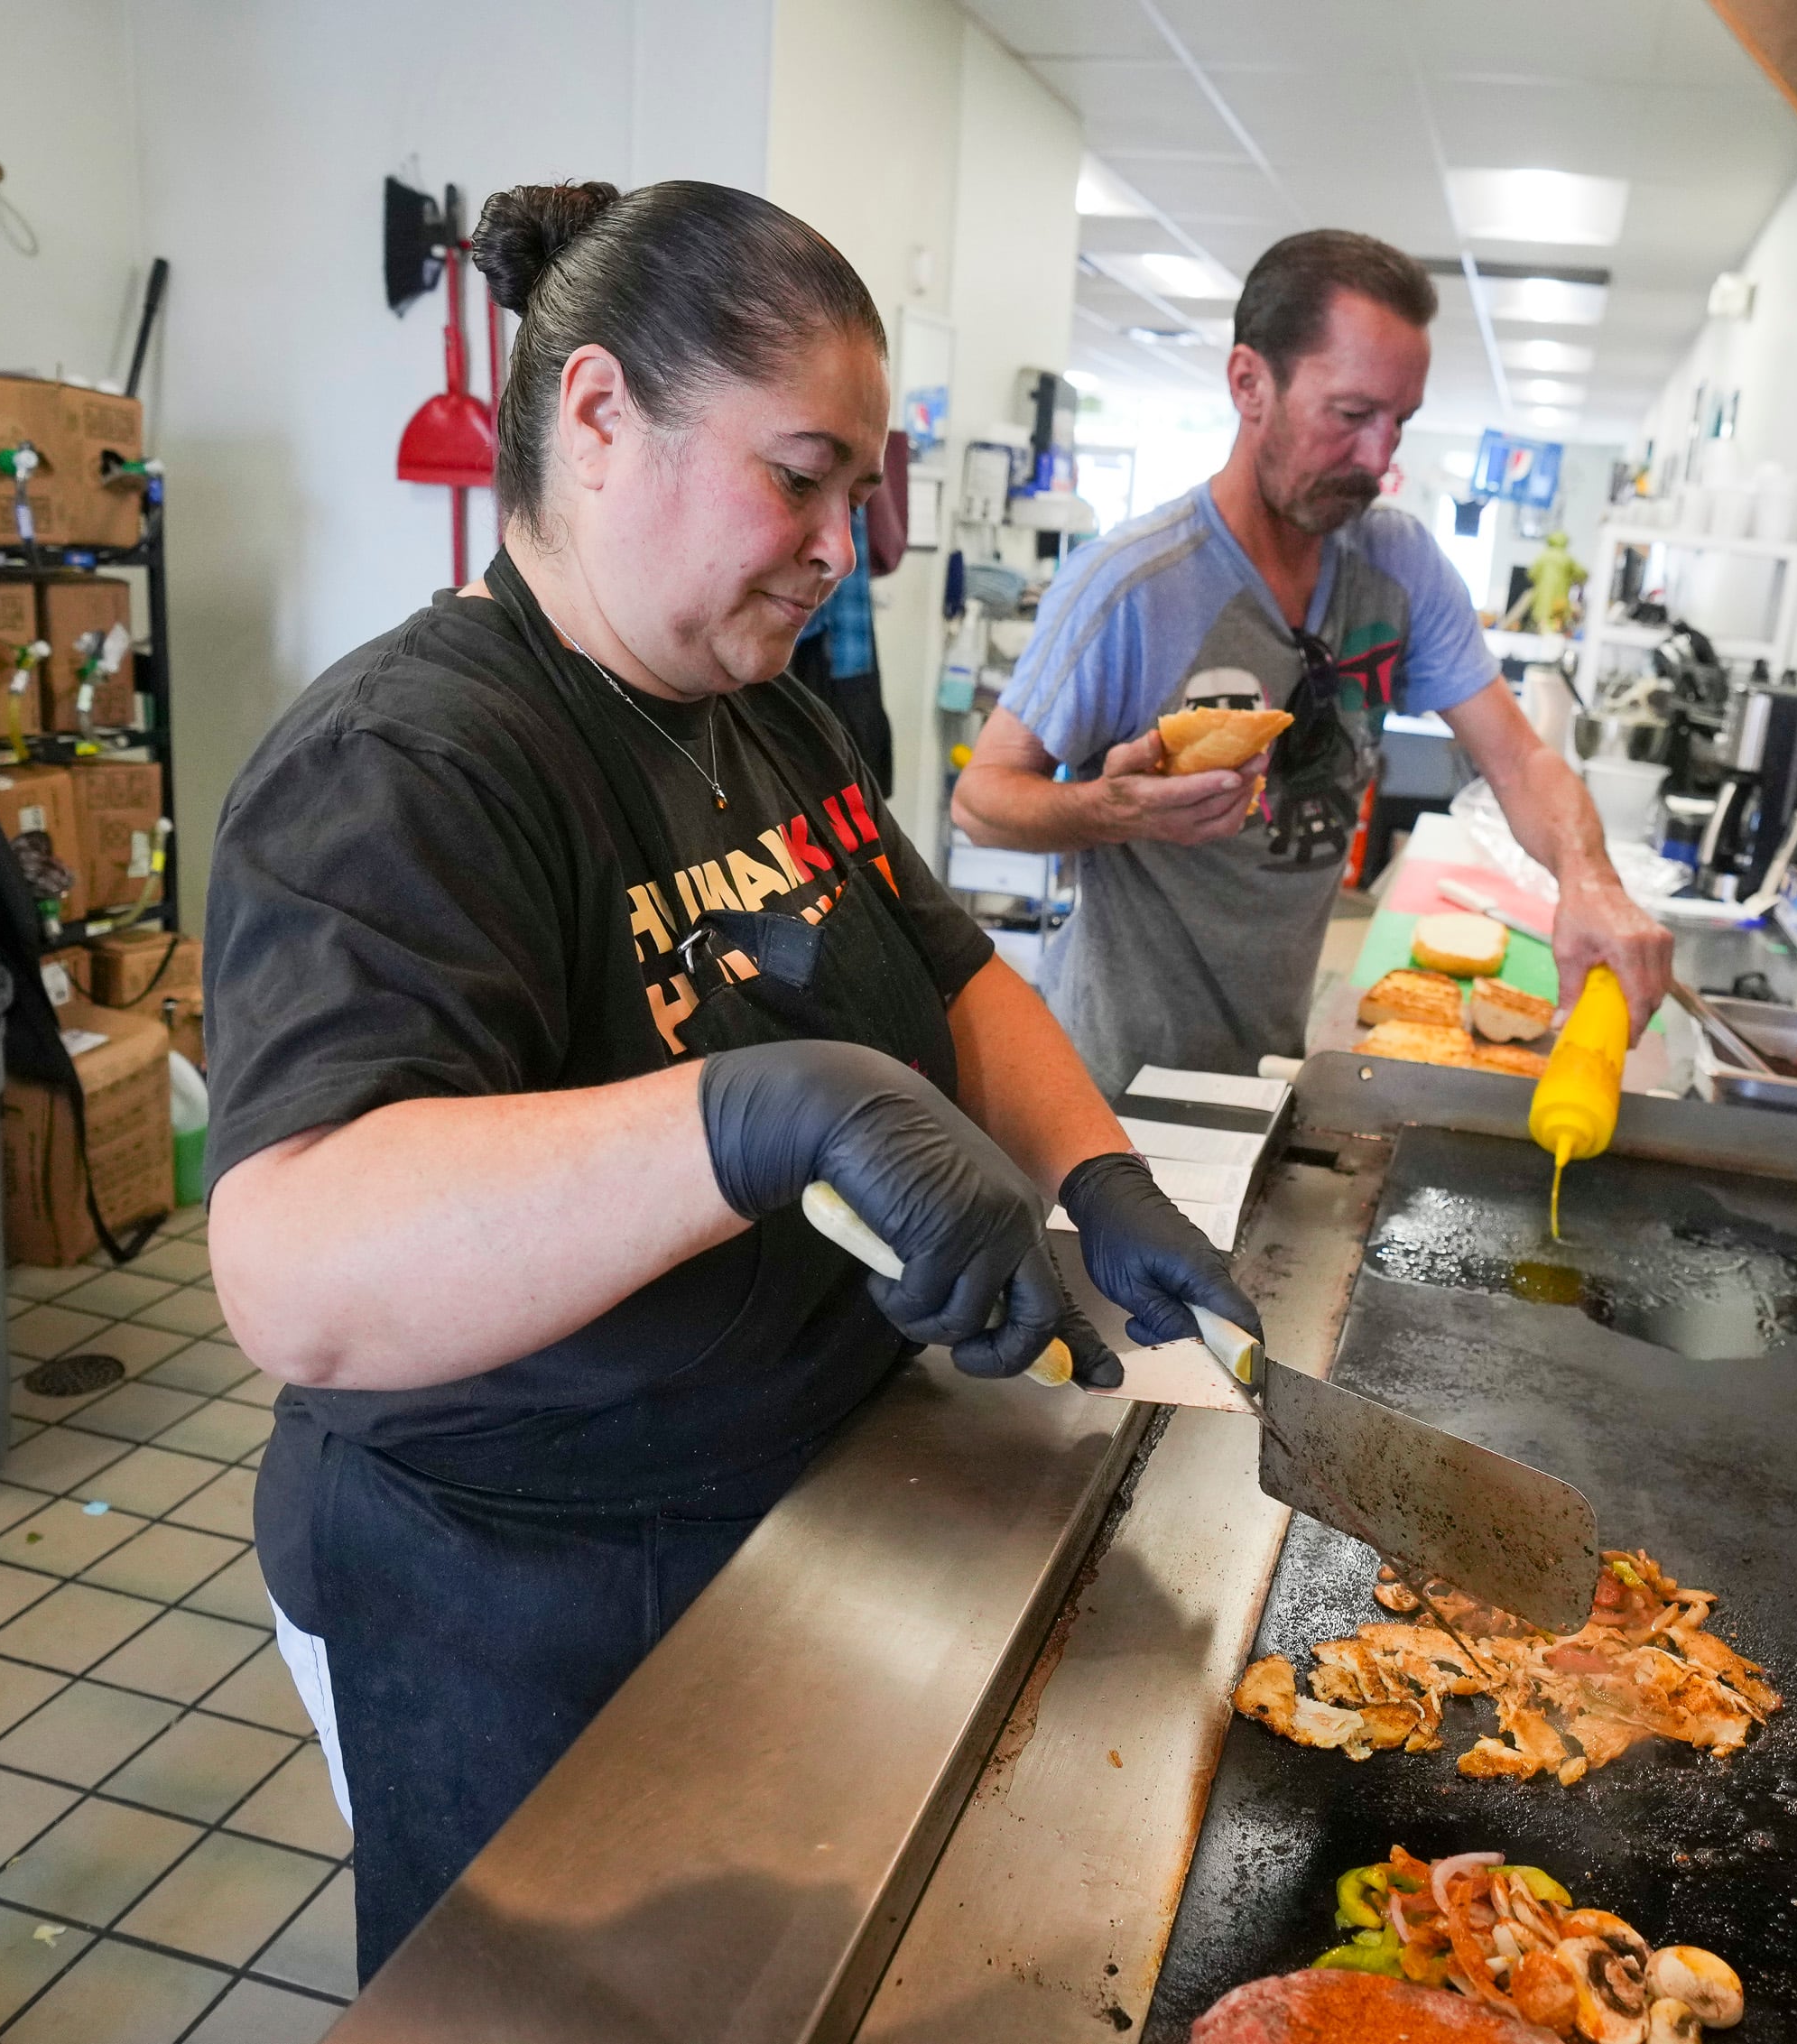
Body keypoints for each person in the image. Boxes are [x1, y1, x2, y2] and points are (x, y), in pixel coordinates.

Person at [201, 180, 1254, 1983]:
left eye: (857, 491)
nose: (838, 543)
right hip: (518, 1576)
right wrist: (755, 1116)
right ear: (600, 415)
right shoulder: (409, 766)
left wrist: (1097, 1173)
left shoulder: (758, 708)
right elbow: (296, 1265)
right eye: (800, 475)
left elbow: (948, 967)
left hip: (794, 1504)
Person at [950, 230, 1672, 1095]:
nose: (1381, 460)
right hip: (1114, 1081)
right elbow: (980, 802)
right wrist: (1114, 808)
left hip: (1270, 1060)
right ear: (1249, 383)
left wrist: (1589, 879)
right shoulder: (1131, 585)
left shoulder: (1396, 566)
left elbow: (1518, 759)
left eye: (1400, 422)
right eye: (1353, 415)